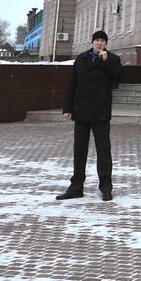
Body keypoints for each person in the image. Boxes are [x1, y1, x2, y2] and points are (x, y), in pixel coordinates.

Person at [56, 30, 124, 202]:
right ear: (92, 42)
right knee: (79, 151)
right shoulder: (81, 59)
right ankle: (76, 187)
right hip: (81, 111)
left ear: (106, 43)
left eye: (102, 41)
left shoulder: (112, 59)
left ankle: (106, 188)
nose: (99, 43)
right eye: (97, 40)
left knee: (103, 152)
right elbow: (72, 84)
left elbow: (119, 78)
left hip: (100, 112)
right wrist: (67, 108)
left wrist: (107, 61)